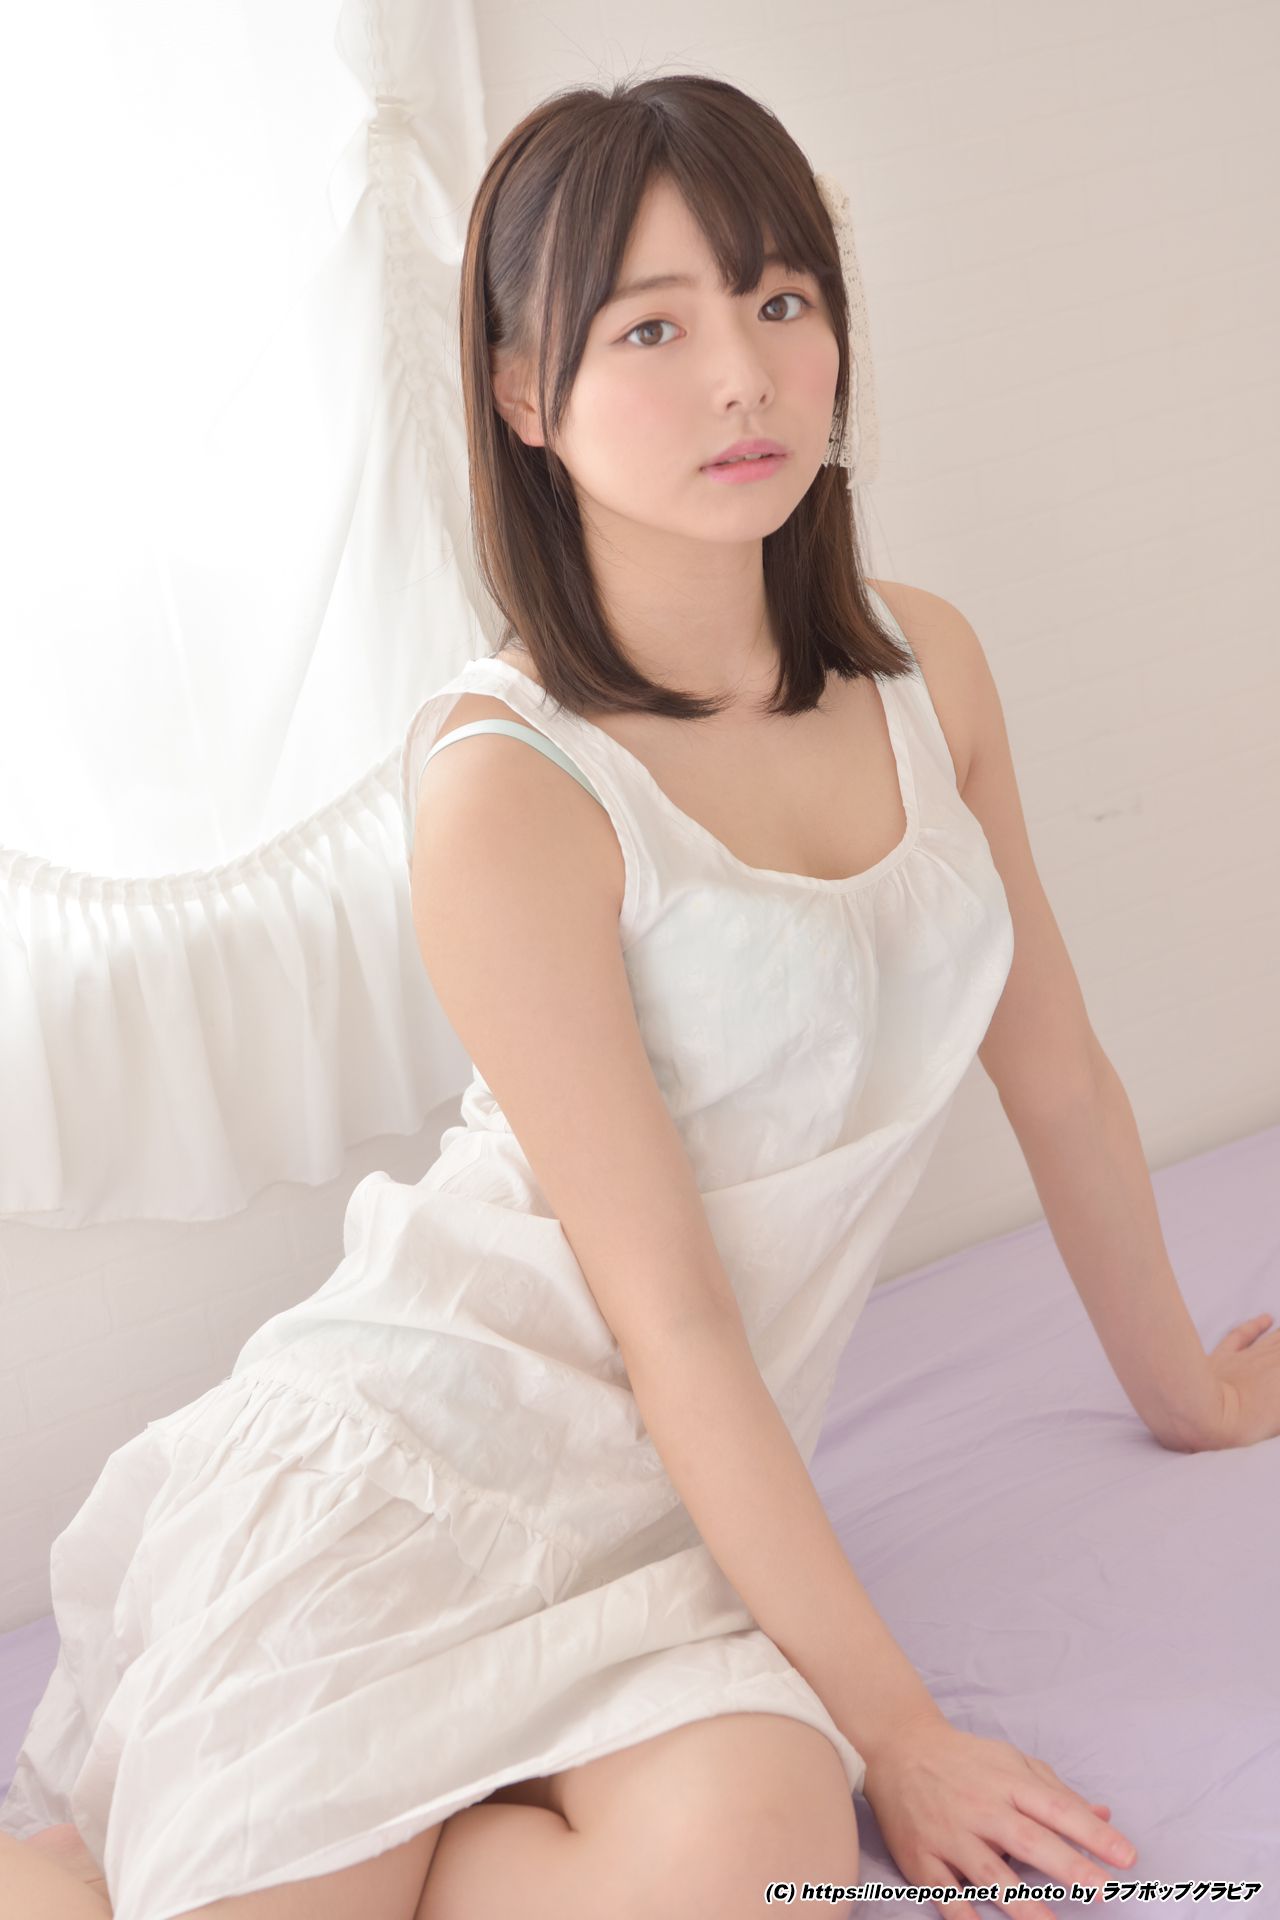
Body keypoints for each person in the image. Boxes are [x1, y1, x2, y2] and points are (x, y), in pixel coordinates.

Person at [1, 71, 1142, 1920]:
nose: (744, 377)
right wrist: (906, 1731)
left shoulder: (929, 669)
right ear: (525, 394)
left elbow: (1063, 1076)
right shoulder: (512, 786)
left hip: (685, 1526)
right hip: (435, 1462)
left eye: (780, 299)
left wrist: (1190, 1397)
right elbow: (670, 1318)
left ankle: (384, 1825)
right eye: (653, 328)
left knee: (759, 1849)